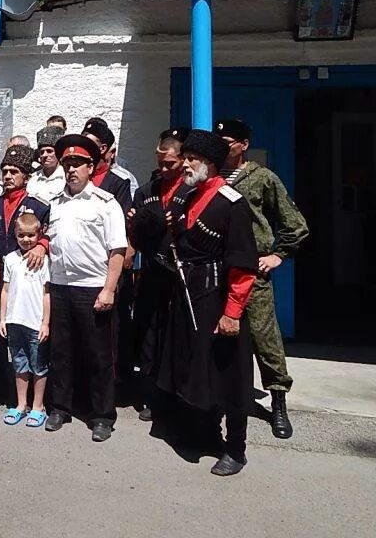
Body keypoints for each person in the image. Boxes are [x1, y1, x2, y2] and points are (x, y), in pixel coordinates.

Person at [157, 129, 259, 476]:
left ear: (210, 164)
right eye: (184, 157)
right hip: (190, 295)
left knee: (229, 374)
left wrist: (232, 313)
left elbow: (242, 265)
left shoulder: (232, 203)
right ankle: (205, 434)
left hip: (218, 298)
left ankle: (236, 449)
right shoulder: (187, 198)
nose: (184, 164)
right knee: (196, 366)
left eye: (192, 159)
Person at [216, 118, 309, 440]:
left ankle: (278, 402)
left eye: (228, 142)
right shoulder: (210, 177)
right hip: (218, 270)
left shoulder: (262, 179)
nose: (222, 147)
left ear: (243, 145)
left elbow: (294, 223)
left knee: (263, 337)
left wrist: (278, 255)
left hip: (252, 272)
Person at [44, 134, 127, 442]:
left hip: (92, 288)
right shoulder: (55, 203)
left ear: (91, 167)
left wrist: (109, 289)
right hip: (61, 286)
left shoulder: (106, 204)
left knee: (99, 356)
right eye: (67, 164)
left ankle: (103, 415)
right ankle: (61, 408)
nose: (71, 170)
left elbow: (117, 251)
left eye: (77, 164)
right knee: (61, 351)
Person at [126, 127, 191, 421]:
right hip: (153, 272)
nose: (164, 169)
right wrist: (136, 224)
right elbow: (137, 237)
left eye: (171, 164)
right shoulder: (146, 191)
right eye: (160, 163)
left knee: (176, 336)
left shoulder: (192, 190)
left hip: (182, 276)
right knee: (150, 335)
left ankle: (178, 394)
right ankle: (152, 393)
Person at [0, 144, 50, 408]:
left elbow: (51, 234)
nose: (8, 176)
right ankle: (0, 387)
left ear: (26, 176)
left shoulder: (38, 207)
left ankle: (37, 397)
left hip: (28, 282)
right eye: (5, 171)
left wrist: (43, 245)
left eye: (14, 171)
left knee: (31, 340)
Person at [0, 212, 51, 428]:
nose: (26, 239)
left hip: (35, 323)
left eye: (31, 235)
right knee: (20, 363)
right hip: (15, 321)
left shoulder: (43, 261)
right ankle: (21, 405)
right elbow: (5, 290)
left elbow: (47, 293)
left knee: (39, 365)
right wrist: (3, 318)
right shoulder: (10, 259)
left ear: (38, 235)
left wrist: (45, 322)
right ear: (15, 235)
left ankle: (38, 406)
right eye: (22, 235)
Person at [82, 118, 132, 214]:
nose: (83, 147)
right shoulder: (75, 174)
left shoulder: (119, 183)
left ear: (102, 148)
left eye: (88, 143)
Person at [27, 126, 66, 203]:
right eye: (42, 152)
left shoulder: (65, 177)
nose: (44, 155)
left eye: (49, 151)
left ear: (58, 153)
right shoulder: (33, 178)